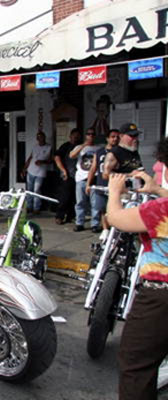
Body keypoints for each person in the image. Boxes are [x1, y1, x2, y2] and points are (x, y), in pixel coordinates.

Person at [105, 141, 168, 398]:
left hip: (159, 296)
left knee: (135, 362)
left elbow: (116, 219)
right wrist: (157, 189)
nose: (156, 169)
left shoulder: (159, 211)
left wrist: (114, 192)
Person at [86, 129, 119, 234]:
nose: (115, 139)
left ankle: (114, 229)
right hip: (102, 184)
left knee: (114, 209)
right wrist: (88, 184)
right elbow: (93, 168)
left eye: (117, 137)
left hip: (115, 185)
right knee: (102, 209)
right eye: (113, 136)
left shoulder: (121, 152)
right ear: (107, 138)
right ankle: (105, 230)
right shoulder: (99, 152)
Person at [71, 129, 100, 232]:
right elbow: (72, 156)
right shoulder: (79, 147)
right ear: (85, 135)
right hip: (81, 178)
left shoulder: (98, 148)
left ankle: (95, 224)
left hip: (94, 178)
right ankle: (79, 223)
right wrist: (83, 145)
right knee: (80, 202)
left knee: (95, 203)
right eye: (88, 134)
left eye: (93, 134)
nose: (91, 136)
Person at [54, 128, 81, 224]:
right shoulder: (65, 146)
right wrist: (63, 170)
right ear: (70, 137)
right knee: (64, 197)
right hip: (67, 175)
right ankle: (59, 216)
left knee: (74, 198)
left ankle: (71, 216)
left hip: (78, 176)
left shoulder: (80, 146)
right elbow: (57, 157)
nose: (76, 138)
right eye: (74, 136)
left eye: (77, 137)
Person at [21, 132, 52, 214]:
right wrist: (24, 169)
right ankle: (29, 206)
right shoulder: (35, 146)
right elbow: (30, 158)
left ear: (44, 137)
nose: (40, 139)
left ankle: (36, 207)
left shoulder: (49, 147)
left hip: (40, 172)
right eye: (38, 137)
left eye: (41, 137)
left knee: (37, 189)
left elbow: (50, 160)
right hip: (31, 170)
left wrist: (43, 162)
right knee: (29, 189)